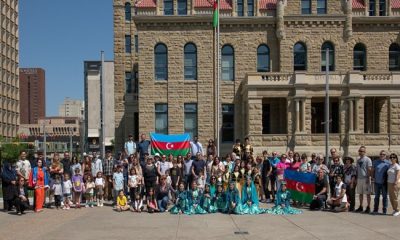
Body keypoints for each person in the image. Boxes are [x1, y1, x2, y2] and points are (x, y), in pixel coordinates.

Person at [372, 150, 390, 215]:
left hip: (384, 183)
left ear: (385, 156)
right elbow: (373, 171)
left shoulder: (388, 163)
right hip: (377, 182)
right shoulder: (375, 162)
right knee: (376, 197)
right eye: (381, 154)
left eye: (383, 154)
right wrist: (372, 178)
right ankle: (375, 210)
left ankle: (384, 210)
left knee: (385, 197)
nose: (382, 155)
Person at [355, 146, 372, 213]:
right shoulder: (358, 160)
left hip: (366, 178)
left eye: (362, 151)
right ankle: (361, 206)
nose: (361, 152)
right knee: (360, 193)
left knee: (367, 194)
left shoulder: (368, 159)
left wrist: (368, 177)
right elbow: (357, 170)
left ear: (365, 152)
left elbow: (369, 169)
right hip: (359, 179)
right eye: (360, 151)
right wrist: (356, 178)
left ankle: (368, 207)